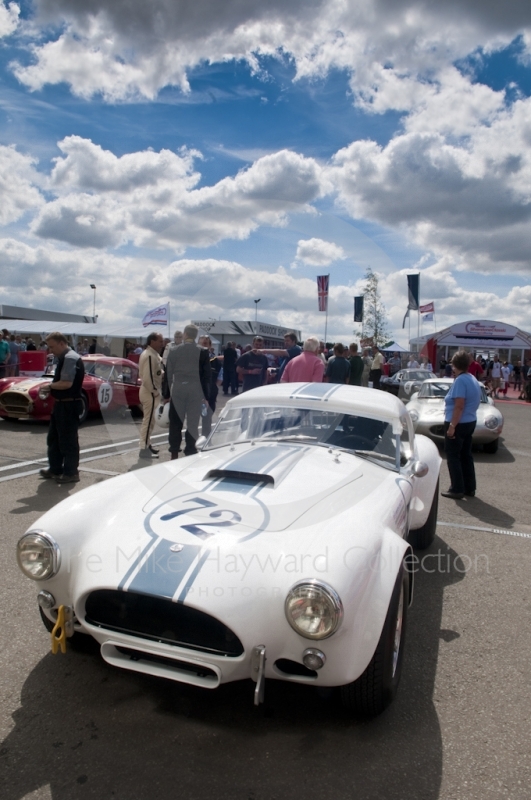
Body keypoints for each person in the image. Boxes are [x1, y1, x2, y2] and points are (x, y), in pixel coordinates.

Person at [39, 332, 85, 484]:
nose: (50, 350)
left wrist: (49, 386)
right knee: (54, 439)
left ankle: (71, 472)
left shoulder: (70, 358)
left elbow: (66, 383)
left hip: (68, 404)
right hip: (61, 403)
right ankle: (55, 469)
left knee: (67, 440)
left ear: (61, 343)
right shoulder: (64, 357)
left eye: (52, 347)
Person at [165, 324, 212, 458]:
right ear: (196, 336)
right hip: (195, 389)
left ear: (185, 334)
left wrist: (166, 394)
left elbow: (168, 374)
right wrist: (206, 396)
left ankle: (174, 451)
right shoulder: (203, 351)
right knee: (192, 422)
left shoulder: (174, 350)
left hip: (179, 388)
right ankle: (190, 450)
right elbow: (206, 376)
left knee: (175, 422)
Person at [441, 351, 482, 500]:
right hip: (469, 421)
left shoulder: (460, 381)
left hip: (459, 422)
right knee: (465, 455)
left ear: (454, 364)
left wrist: (452, 425)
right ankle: (469, 487)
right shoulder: (471, 378)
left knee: (453, 455)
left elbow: (459, 405)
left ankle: (457, 488)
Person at [138, 332, 164, 459]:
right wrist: (155, 392)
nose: (162, 343)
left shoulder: (153, 355)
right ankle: (143, 449)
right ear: (152, 341)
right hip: (149, 392)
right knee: (148, 421)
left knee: (151, 421)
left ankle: (147, 444)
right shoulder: (149, 355)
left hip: (151, 391)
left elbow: (157, 372)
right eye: (160, 341)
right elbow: (147, 378)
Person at [198, 335, 221, 437]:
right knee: (192, 420)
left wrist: (211, 388)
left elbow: (220, 378)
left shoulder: (215, 361)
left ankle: (206, 441)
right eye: (202, 343)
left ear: (210, 345)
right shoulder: (193, 359)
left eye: (206, 343)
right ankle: (192, 444)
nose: (204, 345)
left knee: (207, 419)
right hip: (195, 394)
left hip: (210, 395)